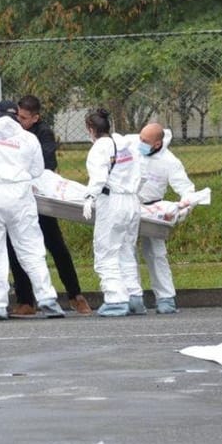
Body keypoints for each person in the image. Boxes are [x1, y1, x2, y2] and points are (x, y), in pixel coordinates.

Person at [0, 100, 66, 320]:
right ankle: (48, 299)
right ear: (16, 115)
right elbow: (37, 170)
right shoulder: (28, 138)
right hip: (20, 196)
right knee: (31, 248)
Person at [5, 95, 92, 317]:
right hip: (17, 198)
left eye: (24, 118)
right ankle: (26, 301)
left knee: (56, 246)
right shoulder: (11, 131)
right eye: (18, 116)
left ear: (35, 118)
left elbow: (47, 163)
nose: (19, 121)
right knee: (16, 249)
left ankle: (75, 295)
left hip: (39, 198)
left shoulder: (43, 133)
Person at [81, 108, 142, 317]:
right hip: (132, 200)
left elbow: (98, 177)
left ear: (91, 129)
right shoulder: (126, 145)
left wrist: (90, 197)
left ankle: (116, 299)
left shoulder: (99, 149)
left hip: (112, 201)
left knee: (106, 252)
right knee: (126, 250)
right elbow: (141, 173)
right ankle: (134, 297)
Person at [129, 123, 195, 314]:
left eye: (145, 141)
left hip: (153, 209)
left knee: (156, 254)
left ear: (157, 144)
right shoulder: (132, 145)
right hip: (129, 204)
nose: (140, 143)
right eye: (140, 138)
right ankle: (132, 298)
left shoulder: (169, 161)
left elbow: (186, 188)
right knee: (126, 253)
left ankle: (166, 298)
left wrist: (184, 207)